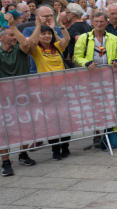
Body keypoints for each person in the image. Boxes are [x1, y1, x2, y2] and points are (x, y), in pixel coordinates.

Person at [14, 10, 71, 160]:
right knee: (52, 120)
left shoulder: (57, 47)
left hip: (62, 89)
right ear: (39, 36)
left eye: (49, 34)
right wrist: (38, 26)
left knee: (64, 119)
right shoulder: (36, 50)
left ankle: (65, 147)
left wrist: (60, 25)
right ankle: (55, 149)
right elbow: (28, 43)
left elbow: (67, 39)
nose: (47, 36)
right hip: (46, 91)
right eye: (43, 34)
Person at [0, 21, 35, 176]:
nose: (14, 38)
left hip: (22, 95)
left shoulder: (20, 49)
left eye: (15, 35)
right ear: (1, 38)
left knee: (25, 126)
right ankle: (6, 162)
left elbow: (27, 43)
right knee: (3, 131)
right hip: (3, 98)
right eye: (11, 35)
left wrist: (14, 28)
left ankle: (23, 154)